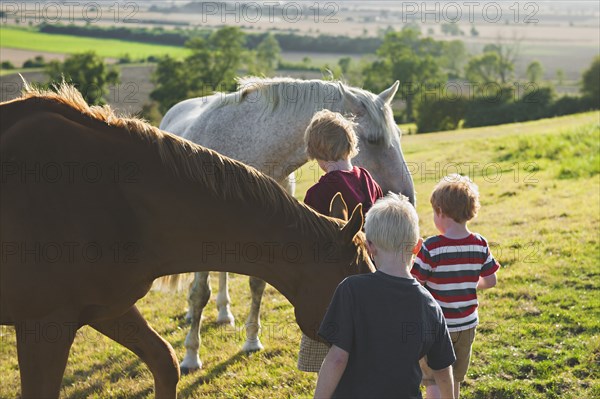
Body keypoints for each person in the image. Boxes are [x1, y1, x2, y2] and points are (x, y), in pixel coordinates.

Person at [314, 193, 456, 399]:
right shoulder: (430, 305)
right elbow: (442, 369)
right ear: (417, 246)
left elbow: (337, 358)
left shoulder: (351, 290)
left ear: (370, 246)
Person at [298, 109, 384, 373]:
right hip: (372, 269)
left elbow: (310, 243)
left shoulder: (318, 193)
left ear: (316, 154)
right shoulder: (368, 179)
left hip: (336, 283)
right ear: (350, 145)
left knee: (333, 352)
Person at [411, 174, 500, 399]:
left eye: (434, 212)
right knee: (454, 378)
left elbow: (415, 283)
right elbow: (491, 280)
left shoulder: (432, 247)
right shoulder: (479, 243)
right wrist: (469, 283)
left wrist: (415, 257)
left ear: (440, 212)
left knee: (433, 377)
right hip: (467, 325)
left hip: (437, 326)